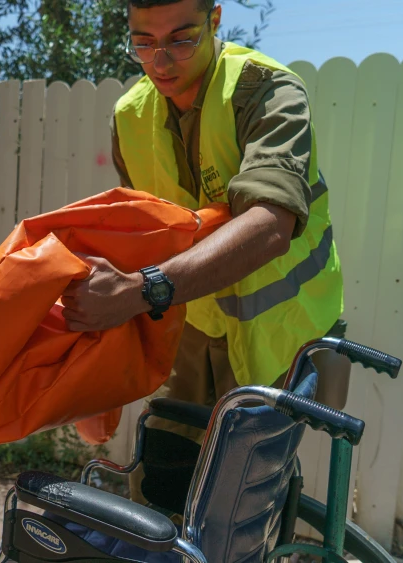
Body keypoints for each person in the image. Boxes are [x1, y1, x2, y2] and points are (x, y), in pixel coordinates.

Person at [59, 0, 351, 507]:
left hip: (280, 333)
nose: (161, 62)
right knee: (157, 491)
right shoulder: (130, 116)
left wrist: (140, 290)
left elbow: (270, 227)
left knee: (237, 513)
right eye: (143, 43)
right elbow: (141, 231)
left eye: (181, 38)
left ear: (216, 20)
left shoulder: (265, 91)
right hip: (191, 328)